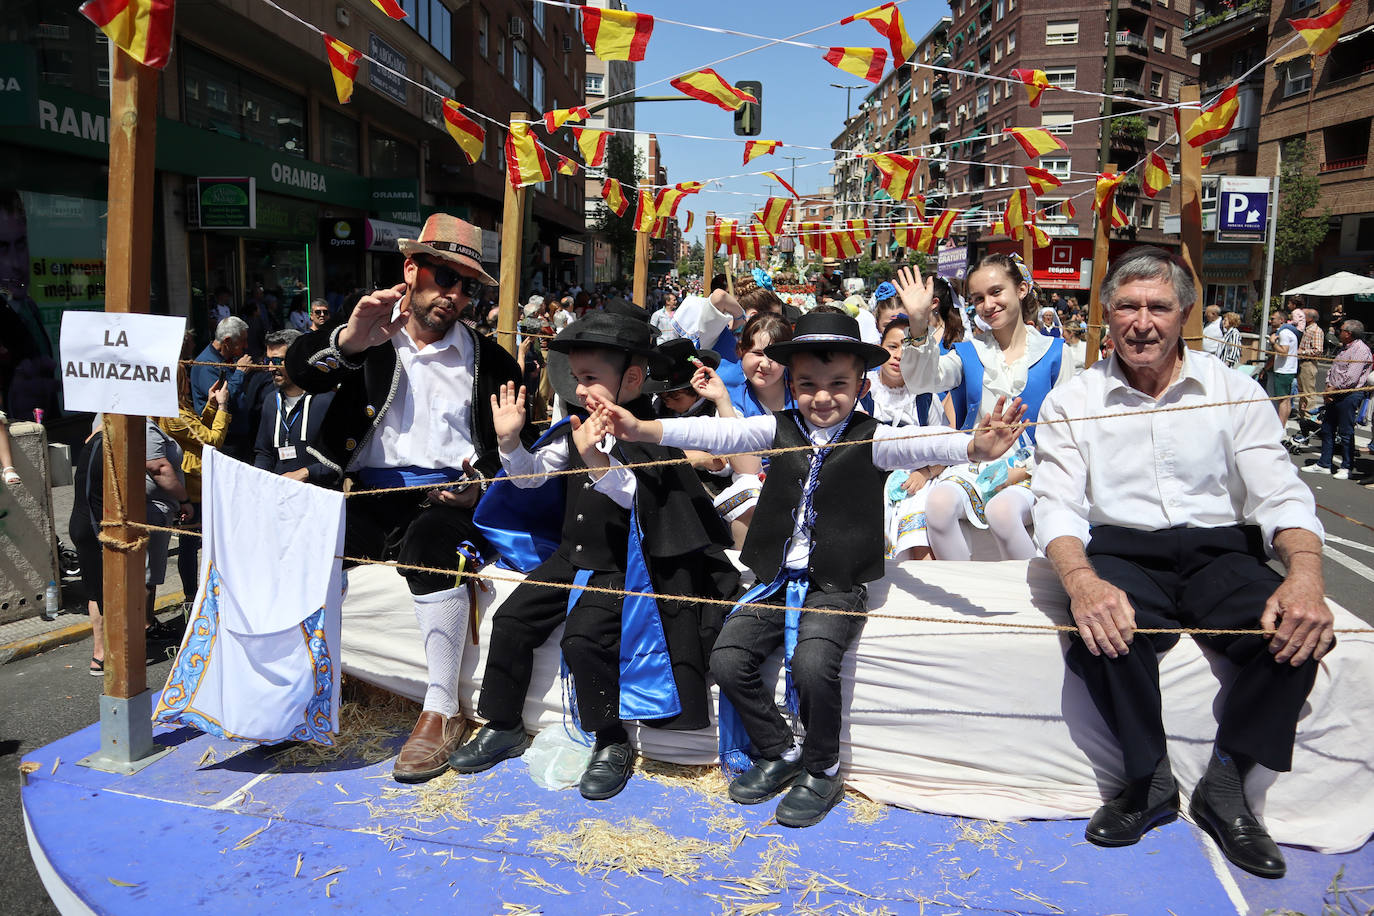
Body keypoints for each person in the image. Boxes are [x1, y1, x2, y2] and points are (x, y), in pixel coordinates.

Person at [598, 310, 1026, 827]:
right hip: (775, 578)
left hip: (837, 583)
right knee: (728, 659)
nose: (822, 397)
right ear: (792, 384)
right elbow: (719, 435)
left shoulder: (874, 437)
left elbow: (924, 442)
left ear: (861, 385)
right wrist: (641, 427)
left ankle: (823, 768)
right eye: (808, 385)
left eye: (838, 384)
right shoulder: (777, 427)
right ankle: (780, 750)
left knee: (812, 665)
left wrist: (974, 446)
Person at [1031, 246, 1335, 880]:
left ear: (1185, 315)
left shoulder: (1234, 390)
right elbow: (1056, 504)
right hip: (1123, 549)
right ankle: (1149, 781)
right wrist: (1082, 582)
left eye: (1159, 307)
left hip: (1221, 551)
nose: (1143, 323)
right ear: (1107, 315)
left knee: (1300, 631)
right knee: (1101, 633)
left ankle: (1226, 783)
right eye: (1128, 307)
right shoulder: (1072, 399)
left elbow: (1280, 494)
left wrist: (1306, 577)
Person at [450, 311, 739, 801]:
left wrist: (597, 461)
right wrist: (510, 442)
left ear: (632, 378)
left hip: (626, 565)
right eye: (577, 378)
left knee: (583, 640)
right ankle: (502, 724)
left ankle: (610, 740)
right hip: (571, 555)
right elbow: (532, 478)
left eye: (591, 378)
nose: (581, 389)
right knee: (512, 620)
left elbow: (637, 498)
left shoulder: (653, 432)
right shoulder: (575, 427)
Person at [285, 213, 526, 784]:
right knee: (303, 537)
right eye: (445, 277)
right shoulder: (369, 336)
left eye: (467, 286)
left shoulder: (492, 360)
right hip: (368, 494)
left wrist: (479, 486)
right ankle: (305, 685)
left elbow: (515, 446)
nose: (455, 295)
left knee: (430, 546)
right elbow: (301, 372)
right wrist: (349, 340)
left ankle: (442, 710)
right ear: (411, 270)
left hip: (448, 502)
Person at [896, 255, 1074, 561]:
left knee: (1003, 512)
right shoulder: (969, 353)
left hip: (1036, 466)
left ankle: (1030, 590)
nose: (988, 305)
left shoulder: (1056, 353)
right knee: (937, 505)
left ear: (1021, 289)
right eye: (978, 298)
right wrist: (918, 320)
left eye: (996, 292)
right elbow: (922, 381)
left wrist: (1020, 471)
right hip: (977, 465)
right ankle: (961, 588)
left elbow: (1068, 431)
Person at [158, 335, 233, 602]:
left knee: (194, 544)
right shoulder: (174, 414)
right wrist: (222, 405)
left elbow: (197, 430)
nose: (189, 383)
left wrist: (210, 405)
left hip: (197, 481)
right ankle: (192, 596)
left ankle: (197, 593)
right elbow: (211, 439)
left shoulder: (178, 410)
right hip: (194, 486)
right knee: (191, 545)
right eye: (185, 379)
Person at [869, 316, 948, 560]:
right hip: (868, 479)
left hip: (915, 482)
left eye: (907, 349)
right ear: (880, 347)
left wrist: (924, 473)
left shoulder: (925, 398)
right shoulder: (863, 390)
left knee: (920, 512)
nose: (899, 355)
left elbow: (945, 450)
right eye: (892, 346)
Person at [254, 329, 338, 485]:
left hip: (317, 494)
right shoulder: (270, 401)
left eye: (277, 361)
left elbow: (340, 459)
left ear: (298, 360)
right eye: (268, 361)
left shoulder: (327, 401)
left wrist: (305, 473)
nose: (271, 368)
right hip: (279, 493)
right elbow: (264, 453)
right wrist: (259, 481)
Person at [1303, 319, 1371, 480]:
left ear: (1349, 333)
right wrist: (1328, 387)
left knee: (1346, 432)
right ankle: (1324, 464)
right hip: (1334, 392)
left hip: (1349, 394)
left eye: (1341, 330)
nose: (1338, 332)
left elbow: (1351, 377)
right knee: (1327, 428)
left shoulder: (1360, 350)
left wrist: (1332, 390)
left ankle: (1346, 467)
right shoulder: (1344, 348)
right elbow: (1333, 370)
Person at [1266, 309, 1299, 439]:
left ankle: (1280, 429)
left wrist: (1272, 343)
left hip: (1283, 370)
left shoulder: (1284, 333)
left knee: (1282, 401)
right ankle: (1282, 427)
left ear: (1281, 320)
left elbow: (1283, 352)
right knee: (1286, 400)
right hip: (1287, 370)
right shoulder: (1287, 332)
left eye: (1273, 318)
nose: (1270, 321)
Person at [1295, 307, 1324, 417]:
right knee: (1302, 392)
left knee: (1308, 393)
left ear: (1310, 318)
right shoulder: (1305, 329)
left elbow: (1318, 350)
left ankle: (1308, 417)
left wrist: (1301, 352)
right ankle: (1302, 415)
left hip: (1308, 363)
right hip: (1301, 363)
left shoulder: (1316, 330)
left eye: (1303, 316)